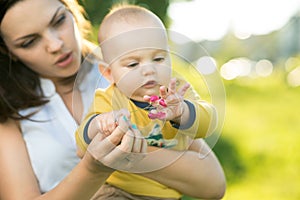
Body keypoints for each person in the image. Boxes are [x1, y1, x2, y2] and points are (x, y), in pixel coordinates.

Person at [0, 0, 226, 199]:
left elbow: (212, 185)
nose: (56, 45)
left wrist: (130, 153)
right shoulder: (9, 112)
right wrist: (93, 168)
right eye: (29, 42)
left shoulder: (131, 74)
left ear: (72, 11)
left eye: (59, 20)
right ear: (7, 50)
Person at [76, 4, 220, 200]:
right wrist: (100, 124)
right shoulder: (109, 99)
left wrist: (183, 112)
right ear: (109, 73)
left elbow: (207, 123)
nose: (149, 69)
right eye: (133, 64)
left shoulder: (176, 94)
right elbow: (82, 144)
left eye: (159, 58)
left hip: (166, 194)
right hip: (118, 191)